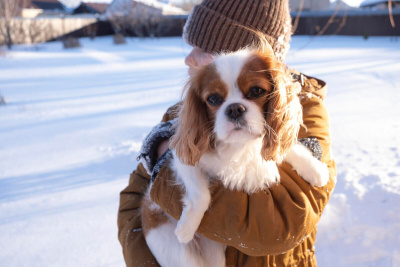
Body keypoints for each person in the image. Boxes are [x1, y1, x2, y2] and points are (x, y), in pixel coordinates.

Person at [118, 0, 337, 266]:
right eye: (214, 98)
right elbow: (132, 206)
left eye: (205, 48)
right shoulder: (186, 112)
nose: (190, 57)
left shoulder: (306, 115)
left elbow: (280, 226)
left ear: (239, 57)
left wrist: (165, 160)